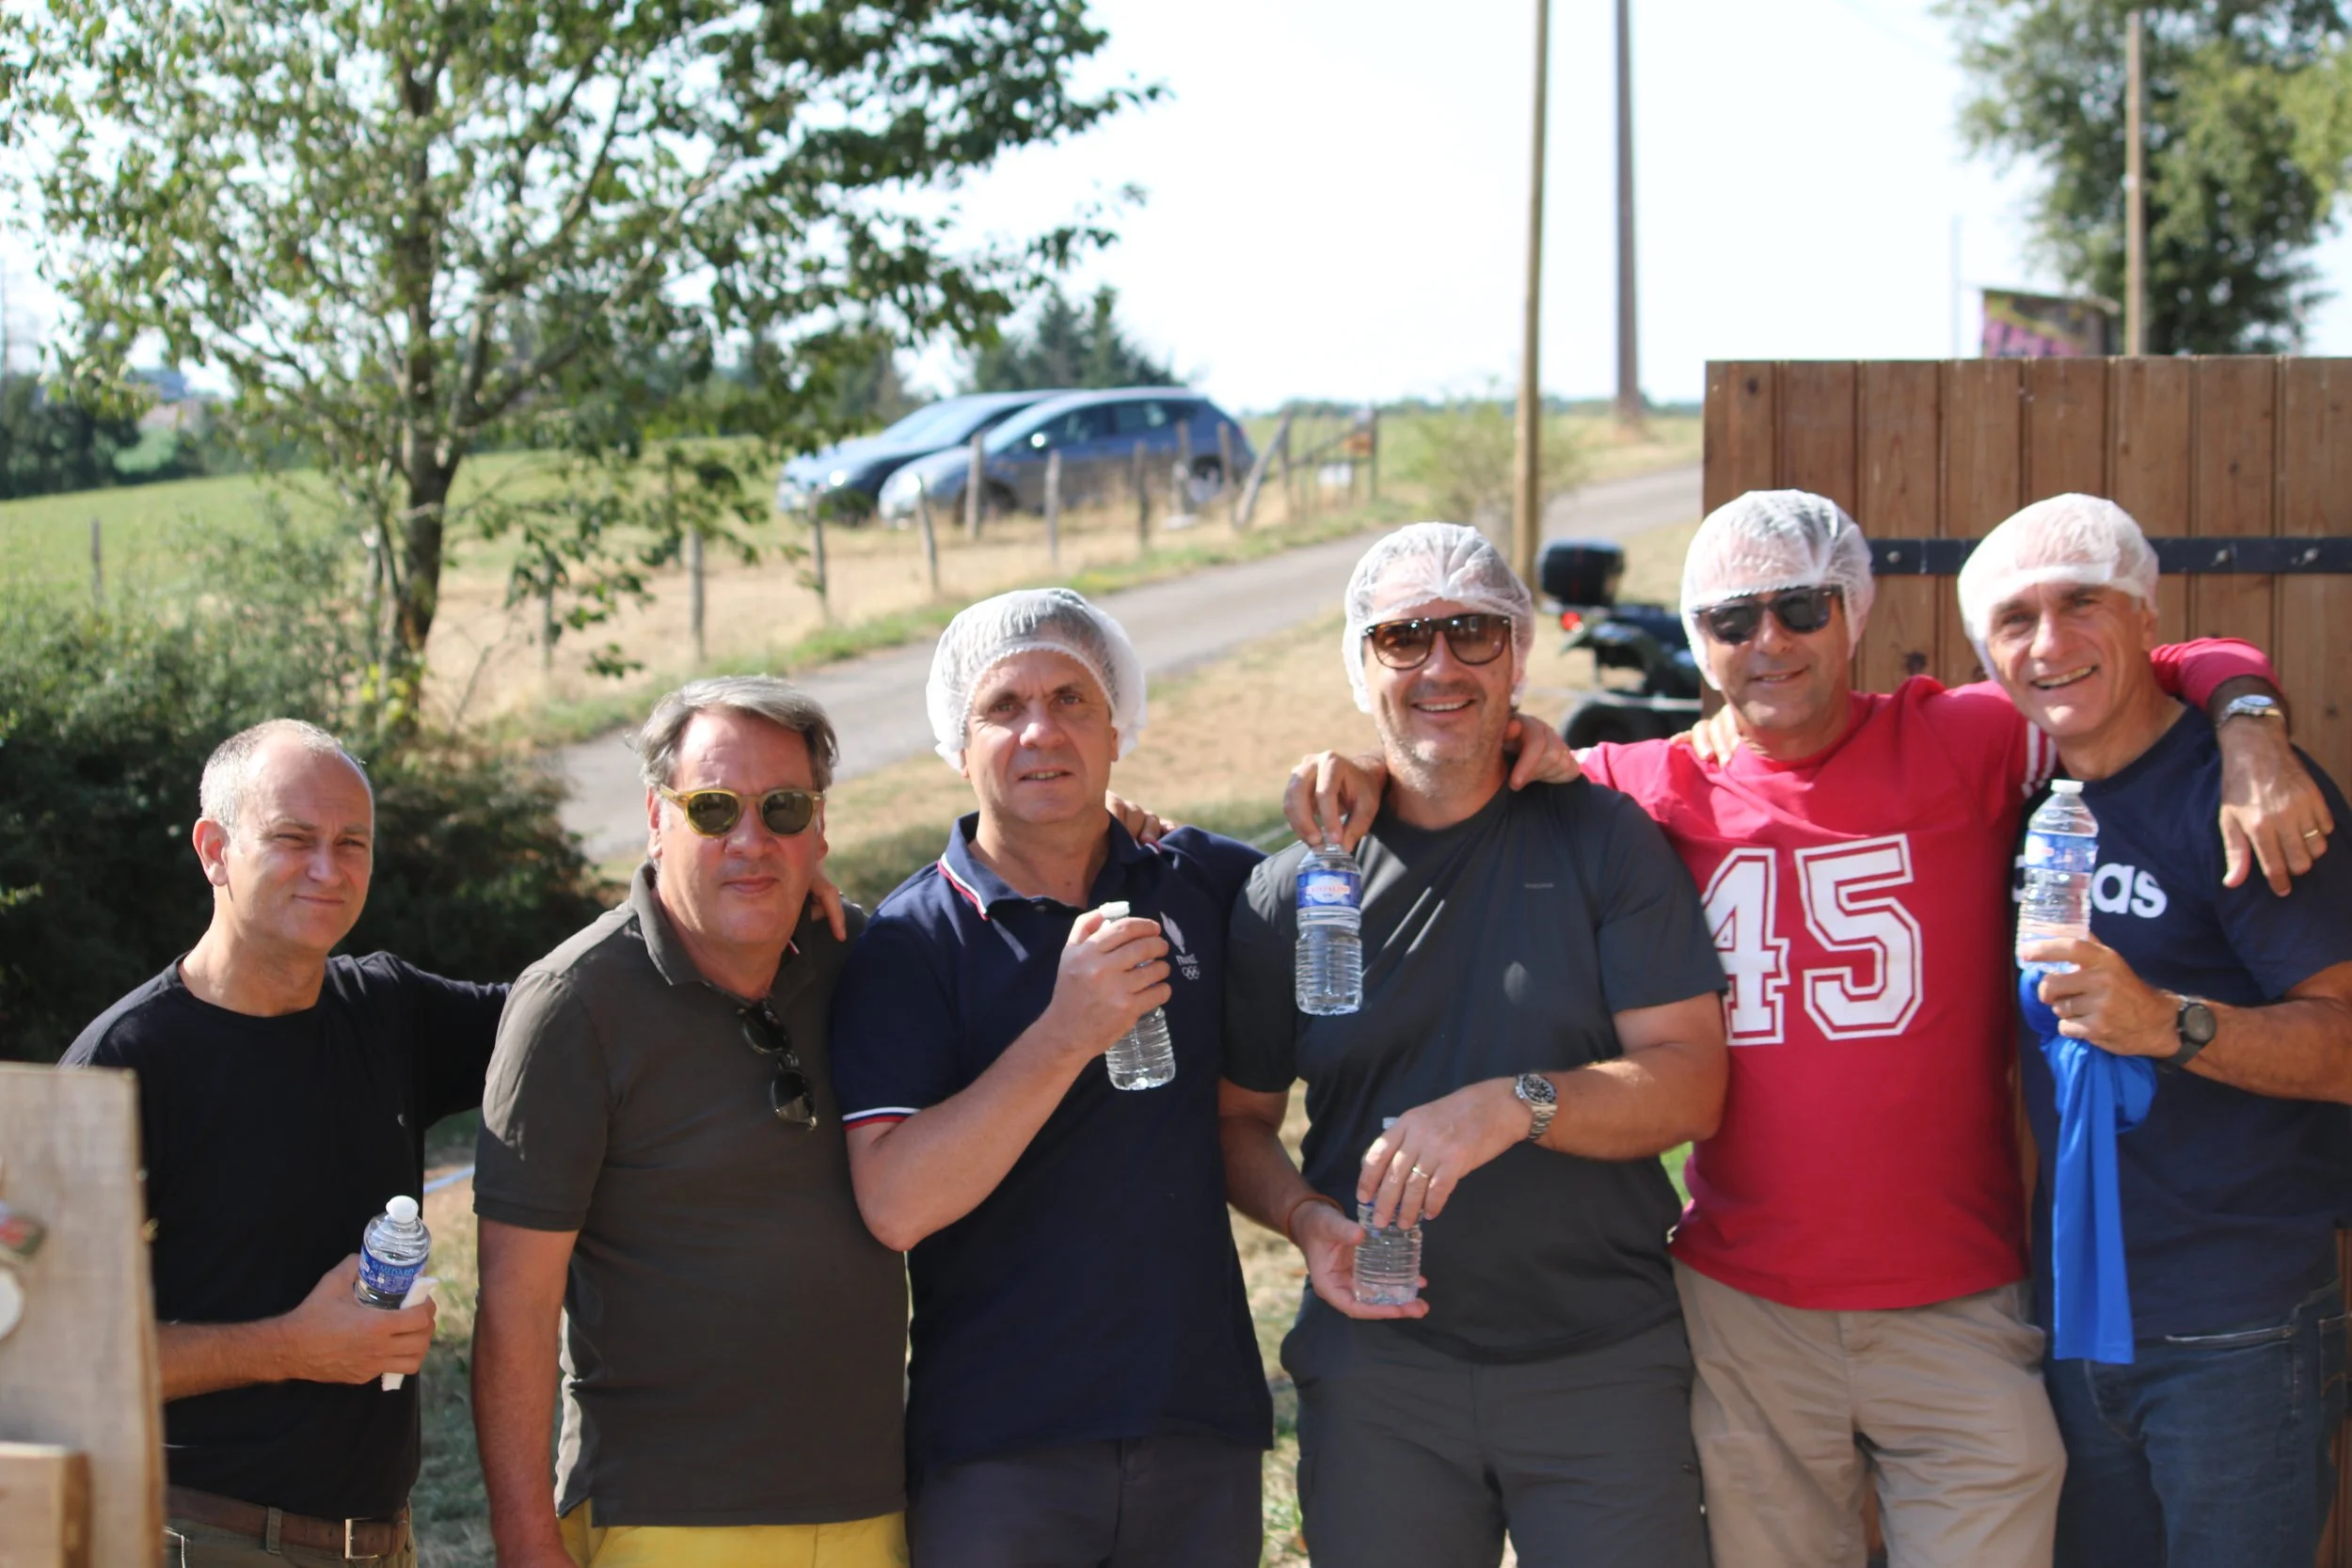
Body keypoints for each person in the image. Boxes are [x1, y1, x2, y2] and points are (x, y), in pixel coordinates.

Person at [1283, 494, 2327, 1568]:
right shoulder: (1646, 783)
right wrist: (1358, 774)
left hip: (1959, 1298)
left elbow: (2137, 666)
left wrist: (2248, 720)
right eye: (1732, 619)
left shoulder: (1964, 735)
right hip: (1746, 1310)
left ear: (1853, 611)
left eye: (1800, 606)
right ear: (1698, 639)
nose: (1768, 640)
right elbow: (1447, 754)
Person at [1222, 522, 1731, 1568]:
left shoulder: (1604, 841)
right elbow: (1236, 1120)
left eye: (1473, 632)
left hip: (1601, 1361)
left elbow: (1690, 1084)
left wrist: (1518, 1103)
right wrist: (1307, 1221)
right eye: (1404, 636)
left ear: (1519, 653)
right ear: (1362, 665)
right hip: (1380, 1375)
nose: (1441, 665)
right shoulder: (1294, 889)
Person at [827, 589, 1270, 1568]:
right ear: (958, 741)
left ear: (1118, 726)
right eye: (1004, 706)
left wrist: (1365, 772)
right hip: (999, 1448)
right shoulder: (910, 942)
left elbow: (1360, 875)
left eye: (1072, 698)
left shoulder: (1201, 881)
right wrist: (1064, 1035)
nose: (1041, 730)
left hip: (1198, 1422)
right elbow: (895, 1203)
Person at [1964, 494, 2352, 1568]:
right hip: (2073, 1317)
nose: (2050, 643)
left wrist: (2170, 1024)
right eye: (2016, 620)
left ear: (2145, 620)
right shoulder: (2021, 788)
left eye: (2082, 603)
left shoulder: (2244, 799)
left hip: (2236, 1322)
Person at [469, 677, 907, 1568]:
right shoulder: (570, 1006)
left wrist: (1126, 836)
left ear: (821, 826)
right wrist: (526, 1541)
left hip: (874, 1509)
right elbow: (514, 1309)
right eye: (713, 808)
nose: (751, 839)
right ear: (655, 817)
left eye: (783, 808)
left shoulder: (865, 960)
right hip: (663, 1519)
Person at [63, 719, 508, 1567]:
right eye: (294, 839)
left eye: (352, 843)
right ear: (214, 849)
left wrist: (709, 888)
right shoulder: (121, 1065)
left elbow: (565, 1013)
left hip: (379, 1541)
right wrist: (289, 1346)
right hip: (197, 1537)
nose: (328, 869)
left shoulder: (386, 1010)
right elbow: (42, 1352)